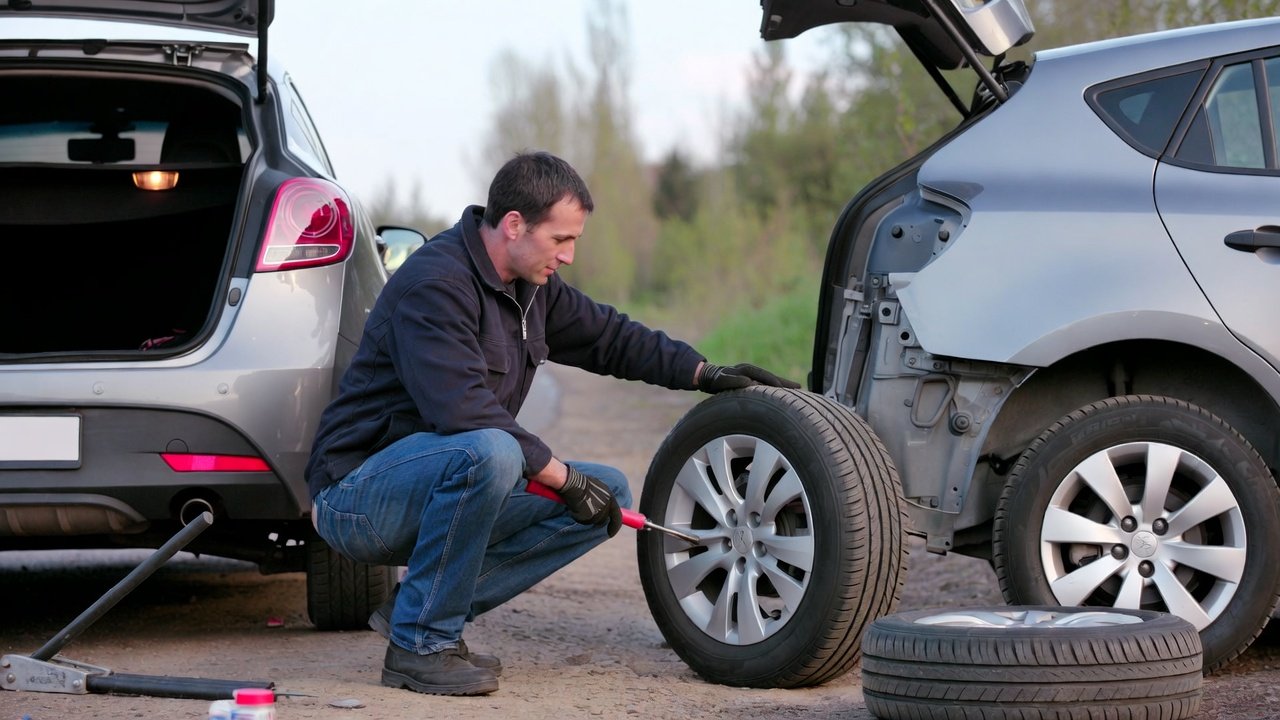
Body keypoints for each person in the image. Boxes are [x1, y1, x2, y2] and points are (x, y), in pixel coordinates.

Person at [304, 151, 798, 697]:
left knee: (605, 494)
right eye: (560, 240)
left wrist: (705, 372)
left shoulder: (530, 288)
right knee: (492, 452)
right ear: (514, 224)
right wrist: (561, 476)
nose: (568, 255)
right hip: (359, 497)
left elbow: (610, 337)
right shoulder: (435, 285)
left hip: (439, 486)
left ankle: (417, 612)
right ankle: (420, 646)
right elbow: (463, 412)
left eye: (574, 241)